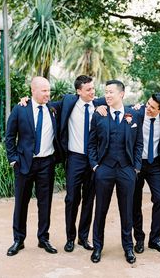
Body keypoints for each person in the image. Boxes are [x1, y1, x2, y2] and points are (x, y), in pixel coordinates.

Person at [88, 80, 143, 264]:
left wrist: (136, 167)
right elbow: (92, 143)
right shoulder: (99, 115)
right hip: (104, 169)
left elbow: (139, 143)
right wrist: (95, 165)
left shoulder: (134, 115)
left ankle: (128, 247)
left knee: (126, 211)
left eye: (111, 92)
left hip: (127, 170)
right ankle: (97, 247)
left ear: (121, 94)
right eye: (106, 92)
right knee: (100, 210)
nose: (107, 95)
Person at [5, 76, 62, 256]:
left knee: (45, 203)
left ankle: (43, 238)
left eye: (49, 90)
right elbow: (9, 136)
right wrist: (13, 159)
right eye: (44, 91)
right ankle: (18, 240)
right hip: (24, 163)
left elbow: (80, 97)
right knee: (21, 203)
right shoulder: (20, 109)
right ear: (33, 91)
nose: (48, 94)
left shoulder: (53, 108)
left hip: (47, 163)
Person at [60, 75, 106, 253]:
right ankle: (70, 238)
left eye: (93, 88)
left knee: (89, 199)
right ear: (79, 91)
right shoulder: (68, 102)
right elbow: (47, 105)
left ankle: (83, 237)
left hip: (93, 160)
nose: (92, 92)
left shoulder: (100, 103)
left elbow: (121, 105)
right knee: (71, 198)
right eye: (88, 90)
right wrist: (26, 100)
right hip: (75, 158)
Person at [133, 93, 160, 255]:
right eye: (148, 104)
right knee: (135, 201)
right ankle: (139, 239)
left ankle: (154, 239)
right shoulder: (136, 112)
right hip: (137, 164)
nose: (148, 108)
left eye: (152, 107)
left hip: (155, 164)